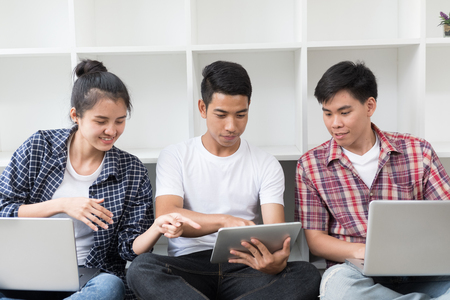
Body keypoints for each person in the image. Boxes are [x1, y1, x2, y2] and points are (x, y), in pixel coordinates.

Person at [0, 59, 199, 300]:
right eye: (101, 121)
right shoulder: (40, 147)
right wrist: (62, 205)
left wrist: (155, 228)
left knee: (110, 287)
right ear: (76, 115)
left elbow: (129, 250)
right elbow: (4, 209)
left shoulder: (131, 170)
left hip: (92, 280)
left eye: (120, 120)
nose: (112, 131)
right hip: (28, 272)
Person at [126, 60, 321, 299]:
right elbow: (168, 215)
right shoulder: (175, 155)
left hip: (245, 265)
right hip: (189, 266)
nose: (231, 126)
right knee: (142, 268)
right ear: (202, 108)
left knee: (306, 273)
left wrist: (276, 261)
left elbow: (275, 236)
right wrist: (226, 221)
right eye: (221, 114)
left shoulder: (265, 163)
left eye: (241, 114)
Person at [295, 60, 450, 299]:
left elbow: (445, 216)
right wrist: (365, 251)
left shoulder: (418, 151)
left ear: (369, 106)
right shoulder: (311, 165)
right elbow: (315, 241)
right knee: (338, 289)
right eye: (327, 113)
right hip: (357, 272)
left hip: (423, 270)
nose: (335, 123)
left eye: (344, 112)